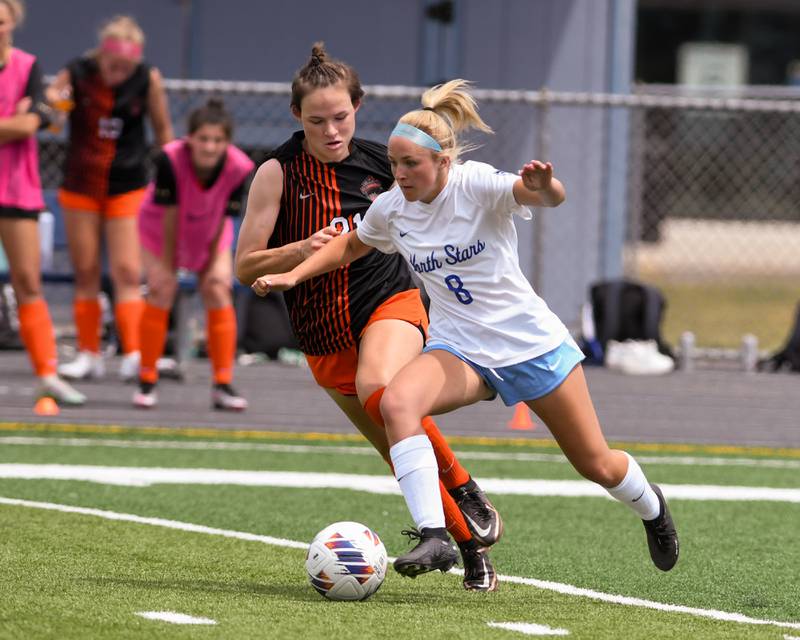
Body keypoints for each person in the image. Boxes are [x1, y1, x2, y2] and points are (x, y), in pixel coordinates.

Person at [252, 79, 680, 579]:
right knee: (395, 402)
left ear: (443, 162)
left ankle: (652, 507)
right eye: (393, 164)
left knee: (596, 463)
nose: (400, 174)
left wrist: (545, 186)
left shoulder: (474, 184)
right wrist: (293, 273)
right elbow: (349, 246)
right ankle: (437, 536)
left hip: (528, 345)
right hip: (461, 348)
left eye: (411, 164)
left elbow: (544, 195)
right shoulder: (393, 206)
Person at [235, 44, 502, 591]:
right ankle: (466, 545)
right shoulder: (277, 172)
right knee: (396, 446)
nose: (331, 130)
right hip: (321, 333)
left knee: (380, 387)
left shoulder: (387, 163)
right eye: (317, 121)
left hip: (390, 303)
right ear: (296, 118)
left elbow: (445, 208)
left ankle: (465, 487)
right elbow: (245, 266)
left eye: (341, 117)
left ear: (357, 107)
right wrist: (300, 249)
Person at [46, 15, 173, 383]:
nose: (119, 72)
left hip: (127, 184)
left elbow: (163, 130)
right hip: (80, 182)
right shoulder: (78, 71)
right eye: (113, 65)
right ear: (102, 55)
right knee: (85, 270)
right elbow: (53, 119)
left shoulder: (147, 77)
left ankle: (133, 352)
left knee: (127, 271)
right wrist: (56, 103)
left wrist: (173, 174)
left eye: (126, 66)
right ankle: (89, 353)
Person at [134, 98, 253, 410]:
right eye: (203, 139)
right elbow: (168, 217)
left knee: (216, 286)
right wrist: (169, 266)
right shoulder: (170, 160)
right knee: (161, 288)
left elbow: (226, 217)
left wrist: (208, 261)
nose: (210, 147)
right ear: (190, 139)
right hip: (160, 229)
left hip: (209, 228)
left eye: (217, 140)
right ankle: (147, 379)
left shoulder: (239, 167)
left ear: (227, 142)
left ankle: (223, 383)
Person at [0, 0, 85, 405]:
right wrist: (13, 122)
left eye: (1, 20)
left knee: (28, 282)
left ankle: (47, 373)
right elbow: (18, 124)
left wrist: (24, 120)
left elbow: (33, 122)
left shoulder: (27, 66)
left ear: (14, 22)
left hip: (16, 188)